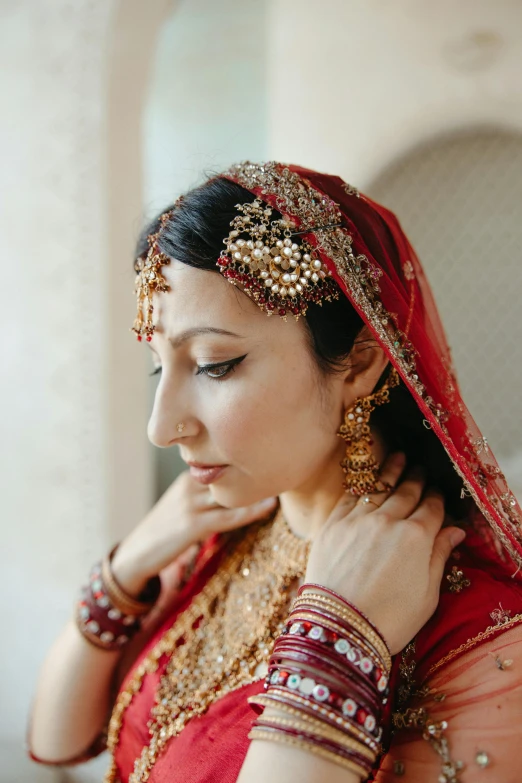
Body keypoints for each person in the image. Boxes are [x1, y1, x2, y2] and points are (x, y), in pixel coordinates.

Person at [28, 162, 522, 783]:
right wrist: (126, 568)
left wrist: (335, 645)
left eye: (214, 364)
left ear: (359, 366)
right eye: (160, 367)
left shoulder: (478, 634)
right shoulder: (226, 527)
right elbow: (56, 739)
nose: (162, 427)